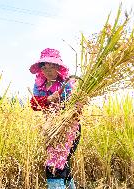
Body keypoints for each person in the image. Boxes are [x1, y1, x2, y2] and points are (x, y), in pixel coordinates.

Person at [29, 48, 82, 189]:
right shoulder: (39, 85)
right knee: (61, 163)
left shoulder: (67, 84)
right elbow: (34, 104)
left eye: (52, 66)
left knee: (54, 165)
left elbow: (76, 108)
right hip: (51, 129)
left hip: (69, 128)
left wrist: (77, 106)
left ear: (58, 67)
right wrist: (48, 99)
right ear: (41, 69)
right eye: (45, 67)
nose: (48, 70)